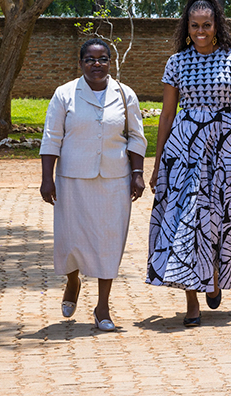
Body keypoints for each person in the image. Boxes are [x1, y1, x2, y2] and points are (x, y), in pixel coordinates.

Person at [147, 0, 231, 327]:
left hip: (224, 146)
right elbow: (167, 116)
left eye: (207, 25)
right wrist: (157, 164)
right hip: (184, 150)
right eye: (195, 25)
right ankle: (192, 302)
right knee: (186, 219)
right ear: (187, 27)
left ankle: (212, 274)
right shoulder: (176, 63)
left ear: (217, 26)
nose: (201, 31)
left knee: (218, 215)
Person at [40, 39, 147, 331]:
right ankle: (73, 281)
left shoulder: (125, 95)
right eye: (89, 59)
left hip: (114, 179)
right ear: (80, 63)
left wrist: (137, 172)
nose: (96, 65)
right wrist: (46, 178)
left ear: (110, 62)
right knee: (71, 240)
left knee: (108, 243)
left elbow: (136, 136)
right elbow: (52, 137)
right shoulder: (65, 95)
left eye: (102, 59)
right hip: (73, 179)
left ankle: (102, 307)